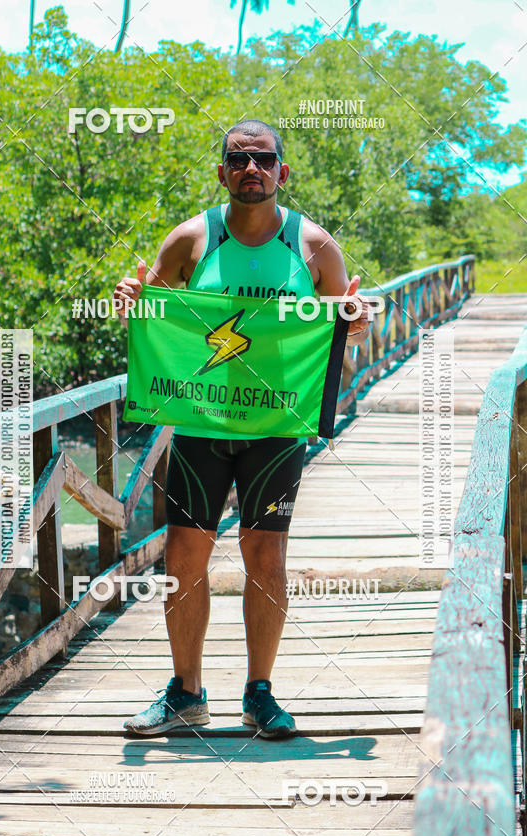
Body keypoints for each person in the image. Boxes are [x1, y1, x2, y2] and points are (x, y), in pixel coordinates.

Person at [113, 120, 369, 740]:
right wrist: (131, 300)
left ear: (283, 172)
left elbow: (348, 332)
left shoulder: (313, 246)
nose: (251, 169)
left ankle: (259, 693)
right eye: (238, 159)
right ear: (222, 171)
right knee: (183, 555)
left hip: (277, 428)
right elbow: (154, 313)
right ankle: (186, 693)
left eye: (264, 160)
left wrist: (357, 324)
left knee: (265, 555)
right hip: (202, 424)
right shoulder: (192, 239)